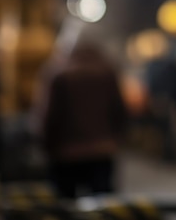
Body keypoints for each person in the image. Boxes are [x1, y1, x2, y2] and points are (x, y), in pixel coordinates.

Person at [34, 39, 129, 199]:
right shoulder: (107, 72)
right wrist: (116, 139)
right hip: (102, 150)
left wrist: (46, 145)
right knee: (102, 205)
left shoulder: (58, 74)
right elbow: (119, 110)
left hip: (65, 153)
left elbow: (49, 115)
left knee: (66, 206)